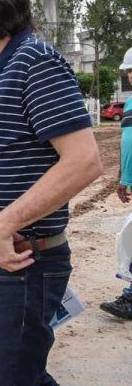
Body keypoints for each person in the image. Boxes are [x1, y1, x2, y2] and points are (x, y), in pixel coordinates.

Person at [0, 0, 102, 386]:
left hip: (23, 261)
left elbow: (84, 160)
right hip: (0, 261)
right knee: (20, 374)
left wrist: (3, 222)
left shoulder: (35, 61)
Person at [99, 53, 132, 320]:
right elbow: (126, 145)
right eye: (129, 71)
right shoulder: (130, 103)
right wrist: (122, 178)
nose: (130, 75)